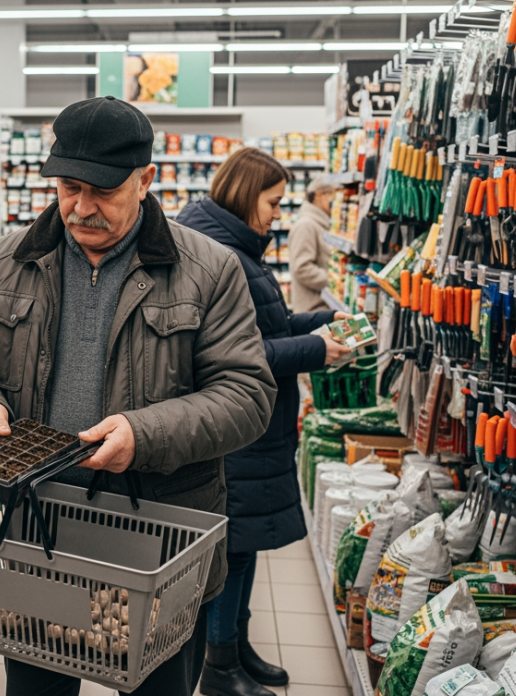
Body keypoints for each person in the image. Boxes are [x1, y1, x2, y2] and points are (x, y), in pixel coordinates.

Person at [0, 96, 278, 696]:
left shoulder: (210, 270)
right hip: (36, 530)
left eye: (104, 191)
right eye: (69, 187)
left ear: (146, 181)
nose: (82, 207)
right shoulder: (10, 260)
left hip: (157, 539)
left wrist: (142, 435)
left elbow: (247, 394)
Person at [176, 148, 351, 696]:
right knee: (231, 549)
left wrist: (320, 321)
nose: (280, 212)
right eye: (273, 201)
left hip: (256, 425)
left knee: (244, 546)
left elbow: (264, 324)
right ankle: (218, 666)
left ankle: (236, 648)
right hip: (236, 427)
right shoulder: (220, 255)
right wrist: (315, 350)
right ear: (244, 194)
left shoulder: (237, 249)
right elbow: (240, 356)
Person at [286, 179, 337, 313]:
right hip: (313, 310)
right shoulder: (306, 225)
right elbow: (302, 268)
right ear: (320, 196)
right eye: (333, 195)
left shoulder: (321, 224)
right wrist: (335, 281)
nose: (337, 201)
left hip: (322, 308)